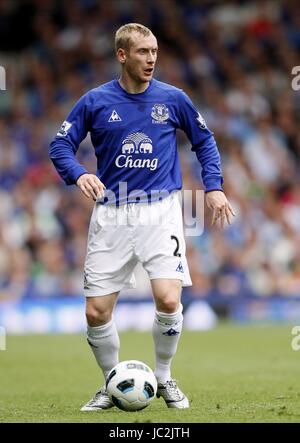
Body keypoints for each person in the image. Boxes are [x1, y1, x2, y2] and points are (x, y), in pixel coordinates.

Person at [49, 23, 234, 411]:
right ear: (122, 55)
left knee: (169, 299)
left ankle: (164, 378)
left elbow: (205, 140)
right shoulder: (95, 102)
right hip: (112, 215)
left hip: (160, 211)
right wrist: (79, 173)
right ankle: (110, 382)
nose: (151, 59)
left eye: (154, 51)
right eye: (142, 52)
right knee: (96, 311)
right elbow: (60, 144)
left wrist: (213, 186)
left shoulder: (173, 98)